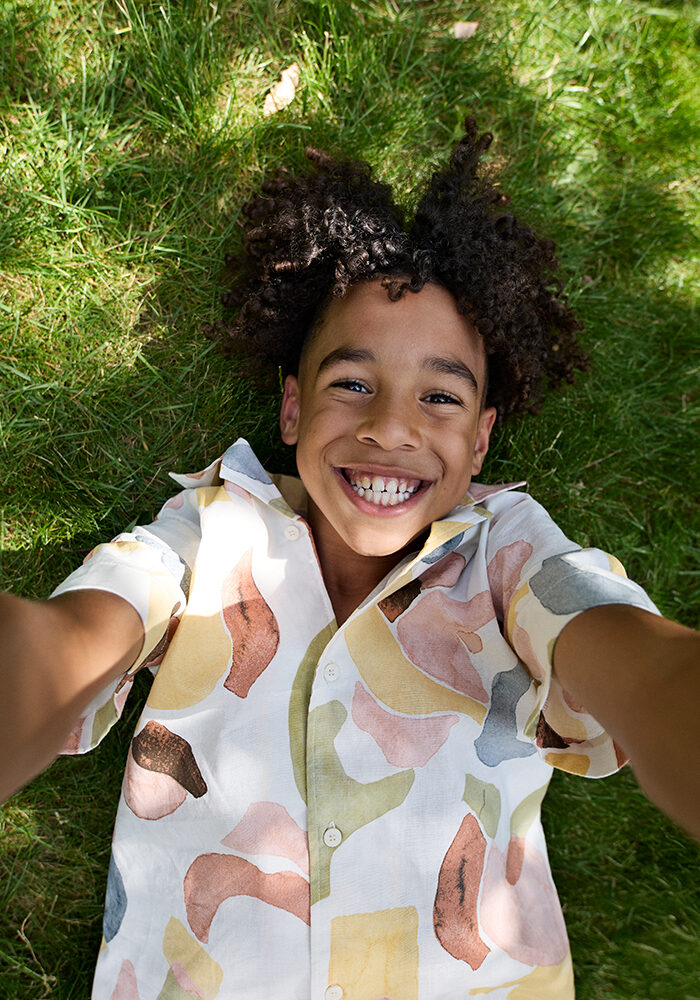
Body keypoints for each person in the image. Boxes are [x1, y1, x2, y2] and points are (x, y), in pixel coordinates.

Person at [0, 119, 697, 1000]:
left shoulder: (509, 551)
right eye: (352, 383)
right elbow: (78, 637)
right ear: (292, 411)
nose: (392, 427)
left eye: (439, 397)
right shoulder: (212, 530)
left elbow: (629, 653)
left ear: (481, 441)